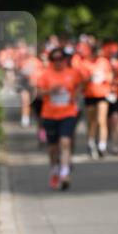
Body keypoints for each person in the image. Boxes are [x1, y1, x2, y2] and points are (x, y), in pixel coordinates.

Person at [35, 46, 86, 189]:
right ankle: (54, 170)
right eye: (54, 59)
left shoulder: (72, 73)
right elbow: (38, 94)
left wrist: (76, 95)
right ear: (51, 60)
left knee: (65, 142)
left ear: (65, 59)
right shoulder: (45, 75)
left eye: (61, 59)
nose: (58, 62)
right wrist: (50, 91)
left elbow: (82, 84)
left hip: (68, 113)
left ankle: (64, 173)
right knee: (52, 147)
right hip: (49, 114)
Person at [82, 46, 113, 158]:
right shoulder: (85, 63)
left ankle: (102, 145)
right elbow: (82, 82)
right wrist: (89, 78)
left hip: (102, 94)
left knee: (101, 120)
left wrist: (105, 77)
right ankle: (91, 143)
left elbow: (110, 76)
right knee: (92, 121)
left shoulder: (104, 62)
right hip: (90, 95)